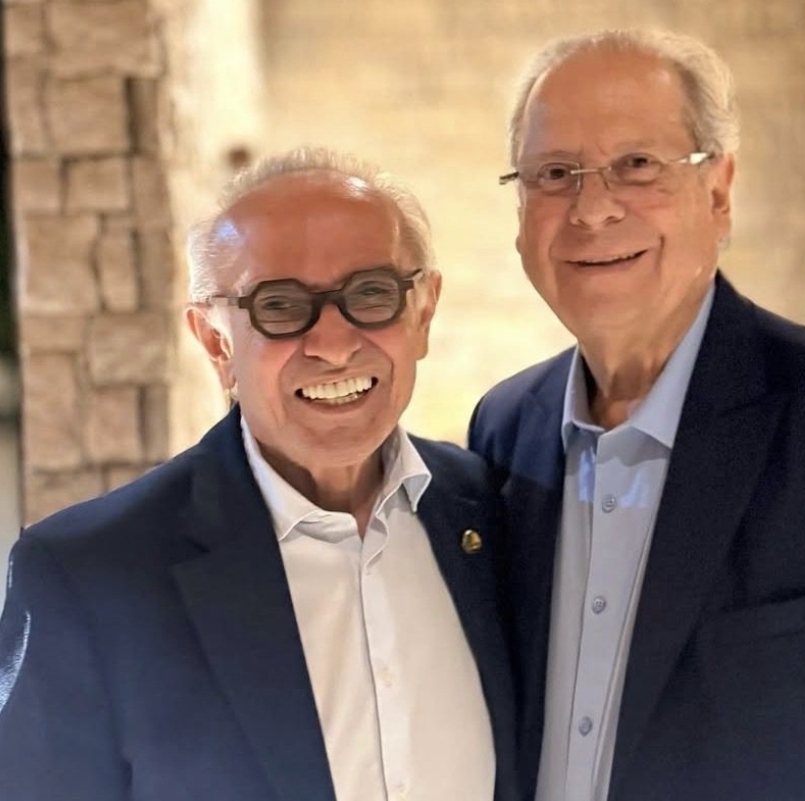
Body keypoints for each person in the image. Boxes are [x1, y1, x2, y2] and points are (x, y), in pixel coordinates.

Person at [467, 28, 805, 801]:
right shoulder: (502, 432)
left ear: (718, 192)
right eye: (555, 174)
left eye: (637, 165)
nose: (592, 208)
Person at [0, 147, 519, 801]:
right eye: (280, 306)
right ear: (216, 342)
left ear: (422, 313)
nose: (333, 344)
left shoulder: (496, 514)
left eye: (371, 293)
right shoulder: (88, 576)